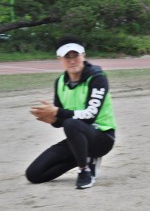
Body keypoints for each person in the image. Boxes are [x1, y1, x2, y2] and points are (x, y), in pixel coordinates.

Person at [27, 36, 117, 189]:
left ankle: (84, 170)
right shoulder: (60, 82)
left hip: (102, 138)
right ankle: (85, 158)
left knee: (71, 123)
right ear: (59, 59)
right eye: (66, 57)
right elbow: (61, 120)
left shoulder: (97, 78)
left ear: (83, 56)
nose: (72, 60)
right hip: (77, 138)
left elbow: (90, 116)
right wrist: (53, 120)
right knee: (34, 174)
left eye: (75, 55)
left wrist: (58, 112)